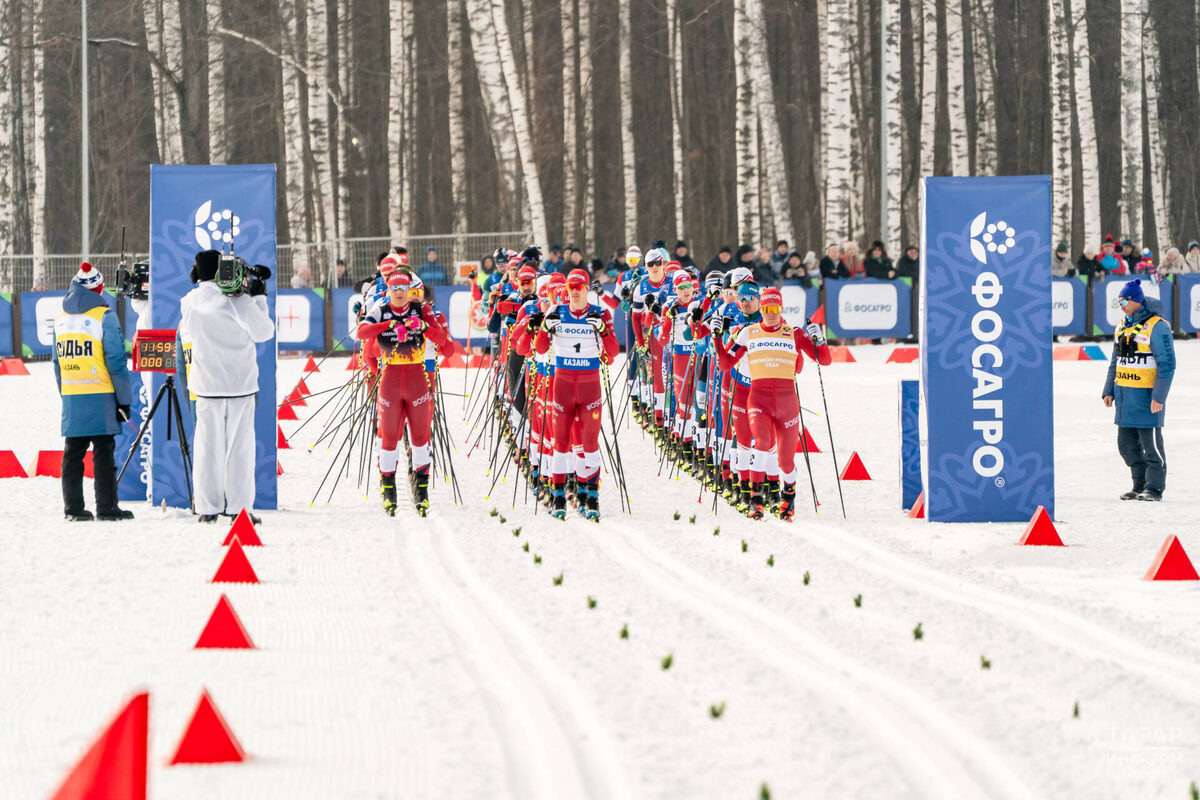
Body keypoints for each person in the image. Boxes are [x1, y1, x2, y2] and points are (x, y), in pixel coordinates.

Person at [180, 250, 276, 523]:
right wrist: (258, 297)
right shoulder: (237, 302)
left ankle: (207, 508)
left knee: (207, 449)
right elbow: (264, 332)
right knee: (239, 450)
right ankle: (238, 508)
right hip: (239, 385)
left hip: (205, 385)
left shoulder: (188, 301)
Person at [721, 286, 830, 520]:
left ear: (781, 308)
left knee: (786, 461)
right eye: (767, 309)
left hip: (787, 403)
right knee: (761, 443)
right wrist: (716, 337)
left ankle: (788, 496)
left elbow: (825, 360)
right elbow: (725, 364)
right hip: (758, 400)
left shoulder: (794, 333)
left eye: (775, 309)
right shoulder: (748, 333)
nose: (771, 314)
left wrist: (819, 339)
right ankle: (756, 500)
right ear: (761, 308)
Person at [358, 270, 458, 516]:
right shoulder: (381, 309)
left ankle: (421, 491)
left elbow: (443, 341)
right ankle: (388, 490)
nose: (401, 293)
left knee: (420, 438)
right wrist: (387, 326)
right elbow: (362, 333)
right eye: (396, 288)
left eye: (405, 288)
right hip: (390, 382)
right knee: (389, 438)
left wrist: (423, 327)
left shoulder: (422, 310)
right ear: (389, 290)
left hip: (417, 381)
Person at [534, 268, 619, 520]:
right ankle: (559, 496)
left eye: (579, 288)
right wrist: (543, 328)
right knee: (561, 444)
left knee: (589, 444)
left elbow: (613, 352)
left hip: (589, 388)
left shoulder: (600, 313)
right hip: (563, 388)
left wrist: (603, 330)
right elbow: (540, 348)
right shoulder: (555, 311)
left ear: (587, 290)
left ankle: (590, 496)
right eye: (571, 288)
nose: (574, 292)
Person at [52, 262, 134, 522]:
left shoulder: (60, 320)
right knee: (103, 453)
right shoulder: (104, 317)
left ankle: (73, 508)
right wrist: (124, 400)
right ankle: (107, 507)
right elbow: (116, 363)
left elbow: (57, 365)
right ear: (98, 289)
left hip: (72, 396)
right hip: (101, 396)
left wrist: (66, 395)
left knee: (72, 453)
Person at [1102, 280, 1174, 501]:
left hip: (1146, 399)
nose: (1120, 306)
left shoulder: (1157, 327)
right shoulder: (1122, 326)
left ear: (1136, 300)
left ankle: (1154, 488)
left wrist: (1159, 397)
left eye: (1123, 302)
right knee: (1126, 447)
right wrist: (1108, 390)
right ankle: (1139, 485)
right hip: (1125, 399)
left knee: (1151, 448)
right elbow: (1115, 362)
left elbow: (1167, 364)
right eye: (1118, 302)